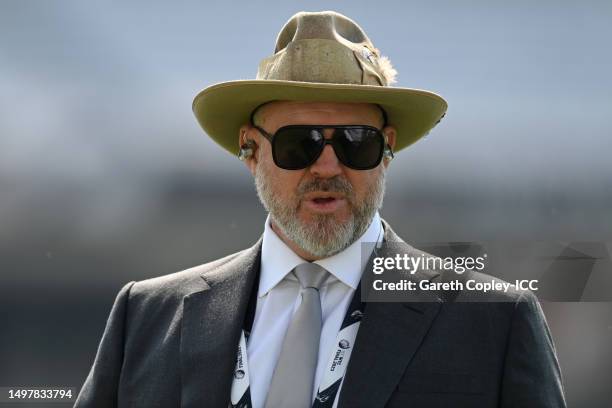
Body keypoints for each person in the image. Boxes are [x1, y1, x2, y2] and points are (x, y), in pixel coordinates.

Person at [75, 10, 566, 408]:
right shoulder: (147, 317)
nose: (328, 165)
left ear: (388, 148)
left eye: (356, 143)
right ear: (250, 149)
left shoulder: (496, 322)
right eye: (299, 143)